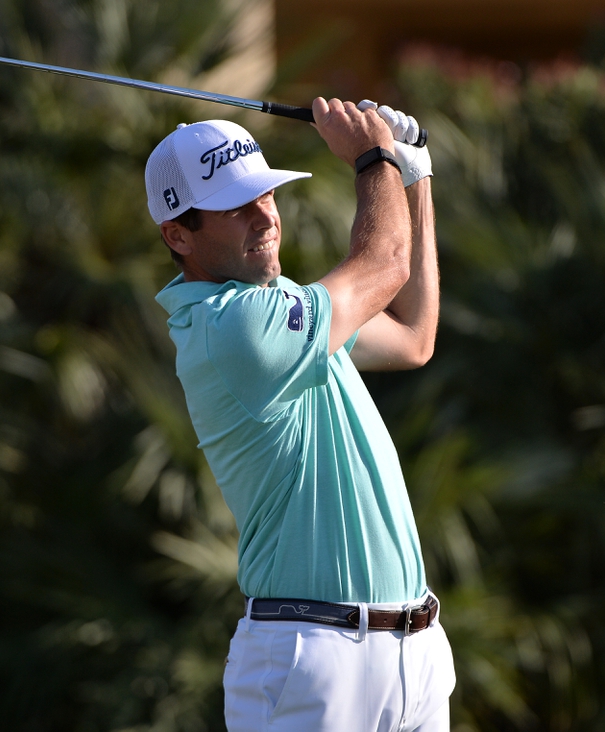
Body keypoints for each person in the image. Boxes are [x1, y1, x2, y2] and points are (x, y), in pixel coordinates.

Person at [148, 97, 453, 731]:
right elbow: (385, 264)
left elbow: (413, 336)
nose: (265, 216)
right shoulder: (231, 329)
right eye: (236, 206)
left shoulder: (283, 304)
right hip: (309, 658)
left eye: (266, 194)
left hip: (414, 652)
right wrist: (373, 158)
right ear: (178, 234)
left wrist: (414, 173)